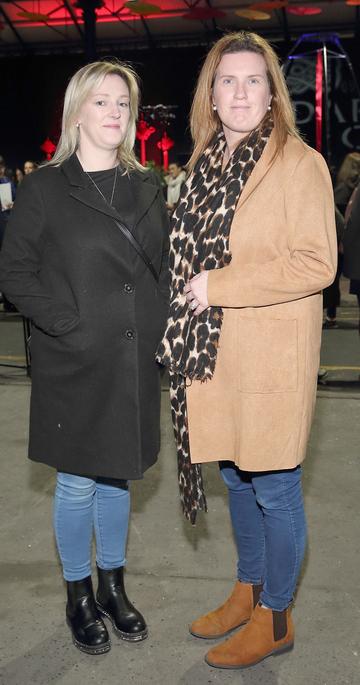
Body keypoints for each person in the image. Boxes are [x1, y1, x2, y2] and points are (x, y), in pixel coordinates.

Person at [157, 31, 337, 670]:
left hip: (268, 359)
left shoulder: (299, 162)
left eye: (253, 80)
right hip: (215, 359)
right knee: (236, 476)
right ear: (211, 91)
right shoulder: (204, 162)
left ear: (272, 93)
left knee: (277, 488)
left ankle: (277, 615)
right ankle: (249, 588)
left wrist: (219, 285)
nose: (239, 92)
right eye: (227, 80)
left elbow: (317, 262)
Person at [0, 60, 169, 655]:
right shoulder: (46, 187)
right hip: (73, 359)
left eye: (124, 102)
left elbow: (162, 269)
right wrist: (66, 323)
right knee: (76, 483)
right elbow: (14, 272)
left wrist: (161, 332)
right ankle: (78, 596)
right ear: (77, 113)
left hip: (131, 361)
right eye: (101, 102)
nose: (115, 112)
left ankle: (112, 587)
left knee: (117, 475)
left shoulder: (147, 184)